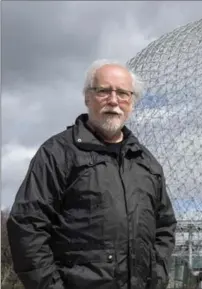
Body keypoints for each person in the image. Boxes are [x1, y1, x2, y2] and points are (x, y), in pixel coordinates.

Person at [6, 59, 177, 289]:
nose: (114, 100)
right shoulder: (57, 154)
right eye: (104, 91)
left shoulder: (147, 164)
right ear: (87, 97)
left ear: (132, 103)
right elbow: (27, 226)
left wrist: (156, 279)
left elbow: (164, 228)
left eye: (123, 93)